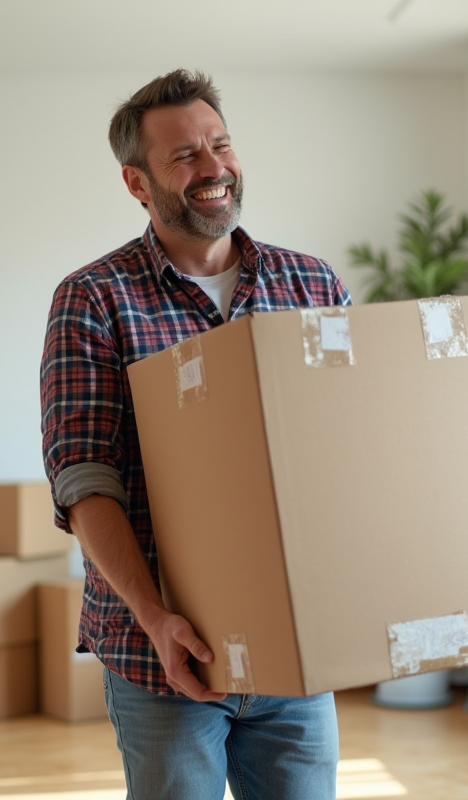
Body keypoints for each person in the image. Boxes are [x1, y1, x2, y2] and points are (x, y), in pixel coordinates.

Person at [40, 69, 350, 800]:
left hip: (292, 649)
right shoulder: (94, 298)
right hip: (161, 656)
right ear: (137, 183)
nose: (213, 169)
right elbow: (84, 477)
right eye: (185, 156)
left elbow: (348, 453)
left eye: (221, 145)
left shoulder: (311, 285)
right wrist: (155, 618)